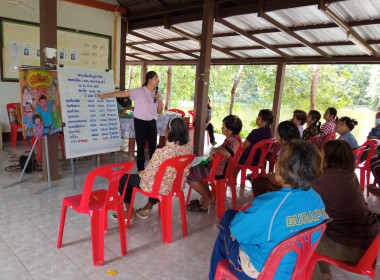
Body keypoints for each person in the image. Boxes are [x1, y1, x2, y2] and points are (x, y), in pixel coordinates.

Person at [209, 139, 328, 280]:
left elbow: (236, 230)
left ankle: (213, 277)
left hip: (263, 272)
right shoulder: (318, 201)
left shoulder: (270, 208)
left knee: (228, 218)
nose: (276, 163)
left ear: (285, 170)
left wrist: (236, 230)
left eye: (278, 159)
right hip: (295, 267)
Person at [311, 140, 378, 280]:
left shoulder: (324, 177)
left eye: (322, 152)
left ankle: (320, 275)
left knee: (300, 240)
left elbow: (302, 199)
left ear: (328, 157)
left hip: (351, 247)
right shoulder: (350, 176)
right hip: (370, 244)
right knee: (319, 226)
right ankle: (324, 273)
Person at [111, 117, 192, 222]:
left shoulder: (162, 152)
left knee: (124, 179)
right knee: (160, 178)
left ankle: (129, 212)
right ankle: (147, 208)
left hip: (162, 187)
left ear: (169, 131)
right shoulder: (189, 148)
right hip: (177, 184)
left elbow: (148, 175)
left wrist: (141, 172)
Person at [98, 71, 164, 171]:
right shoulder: (139, 91)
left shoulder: (157, 94)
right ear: (149, 80)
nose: (158, 81)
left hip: (152, 123)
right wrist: (106, 95)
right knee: (140, 147)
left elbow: (159, 111)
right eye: (156, 79)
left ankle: (153, 170)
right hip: (140, 122)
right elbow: (124, 93)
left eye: (158, 79)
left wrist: (160, 101)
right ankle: (140, 169)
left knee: (153, 147)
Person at [187, 115, 242, 212]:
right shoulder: (236, 138)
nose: (222, 128)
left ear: (229, 130)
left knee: (187, 174)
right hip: (219, 168)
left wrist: (215, 149)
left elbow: (229, 153)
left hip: (217, 171)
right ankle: (209, 196)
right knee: (198, 168)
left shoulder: (233, 141)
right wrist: (216, 152)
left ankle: (207, 198)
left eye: (223, 126)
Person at [251, 120, 300, 197]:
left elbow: (279, 181)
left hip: (290, 187)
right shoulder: (299, 146)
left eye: (276, 133)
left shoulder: (286, 152)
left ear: (282, 137)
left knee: (257, 182)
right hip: (301, 184)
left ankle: (265, 205)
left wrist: (270, 175)